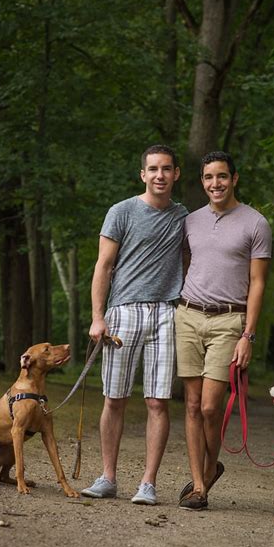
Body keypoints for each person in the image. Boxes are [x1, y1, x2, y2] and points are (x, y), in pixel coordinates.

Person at [81, 145, 188, 506]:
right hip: (123, 313)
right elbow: (103, 266)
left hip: (165, 314)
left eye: (166, 169)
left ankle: (148, 483)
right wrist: (98, 317)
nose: (160, 175)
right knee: (114, 399)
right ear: (143, 174)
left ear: (176, 174)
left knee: (158, 402)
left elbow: (190, 263)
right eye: (153, 169)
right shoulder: (121, 212)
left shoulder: (183, 217)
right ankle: (108, 477)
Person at [176, 150, 272, 510]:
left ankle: (208, 467)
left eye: (221, 177)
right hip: (187, 316)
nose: (214, 184)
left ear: (234, 178)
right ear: (202, 182)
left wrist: (248, 334)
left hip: (229, 321)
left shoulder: (256, 223)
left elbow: (258, 282)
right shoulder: (191, 221)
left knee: (211, 408)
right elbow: (188, 260)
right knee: (192, 404)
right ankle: (200, 484)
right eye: (208, 178)